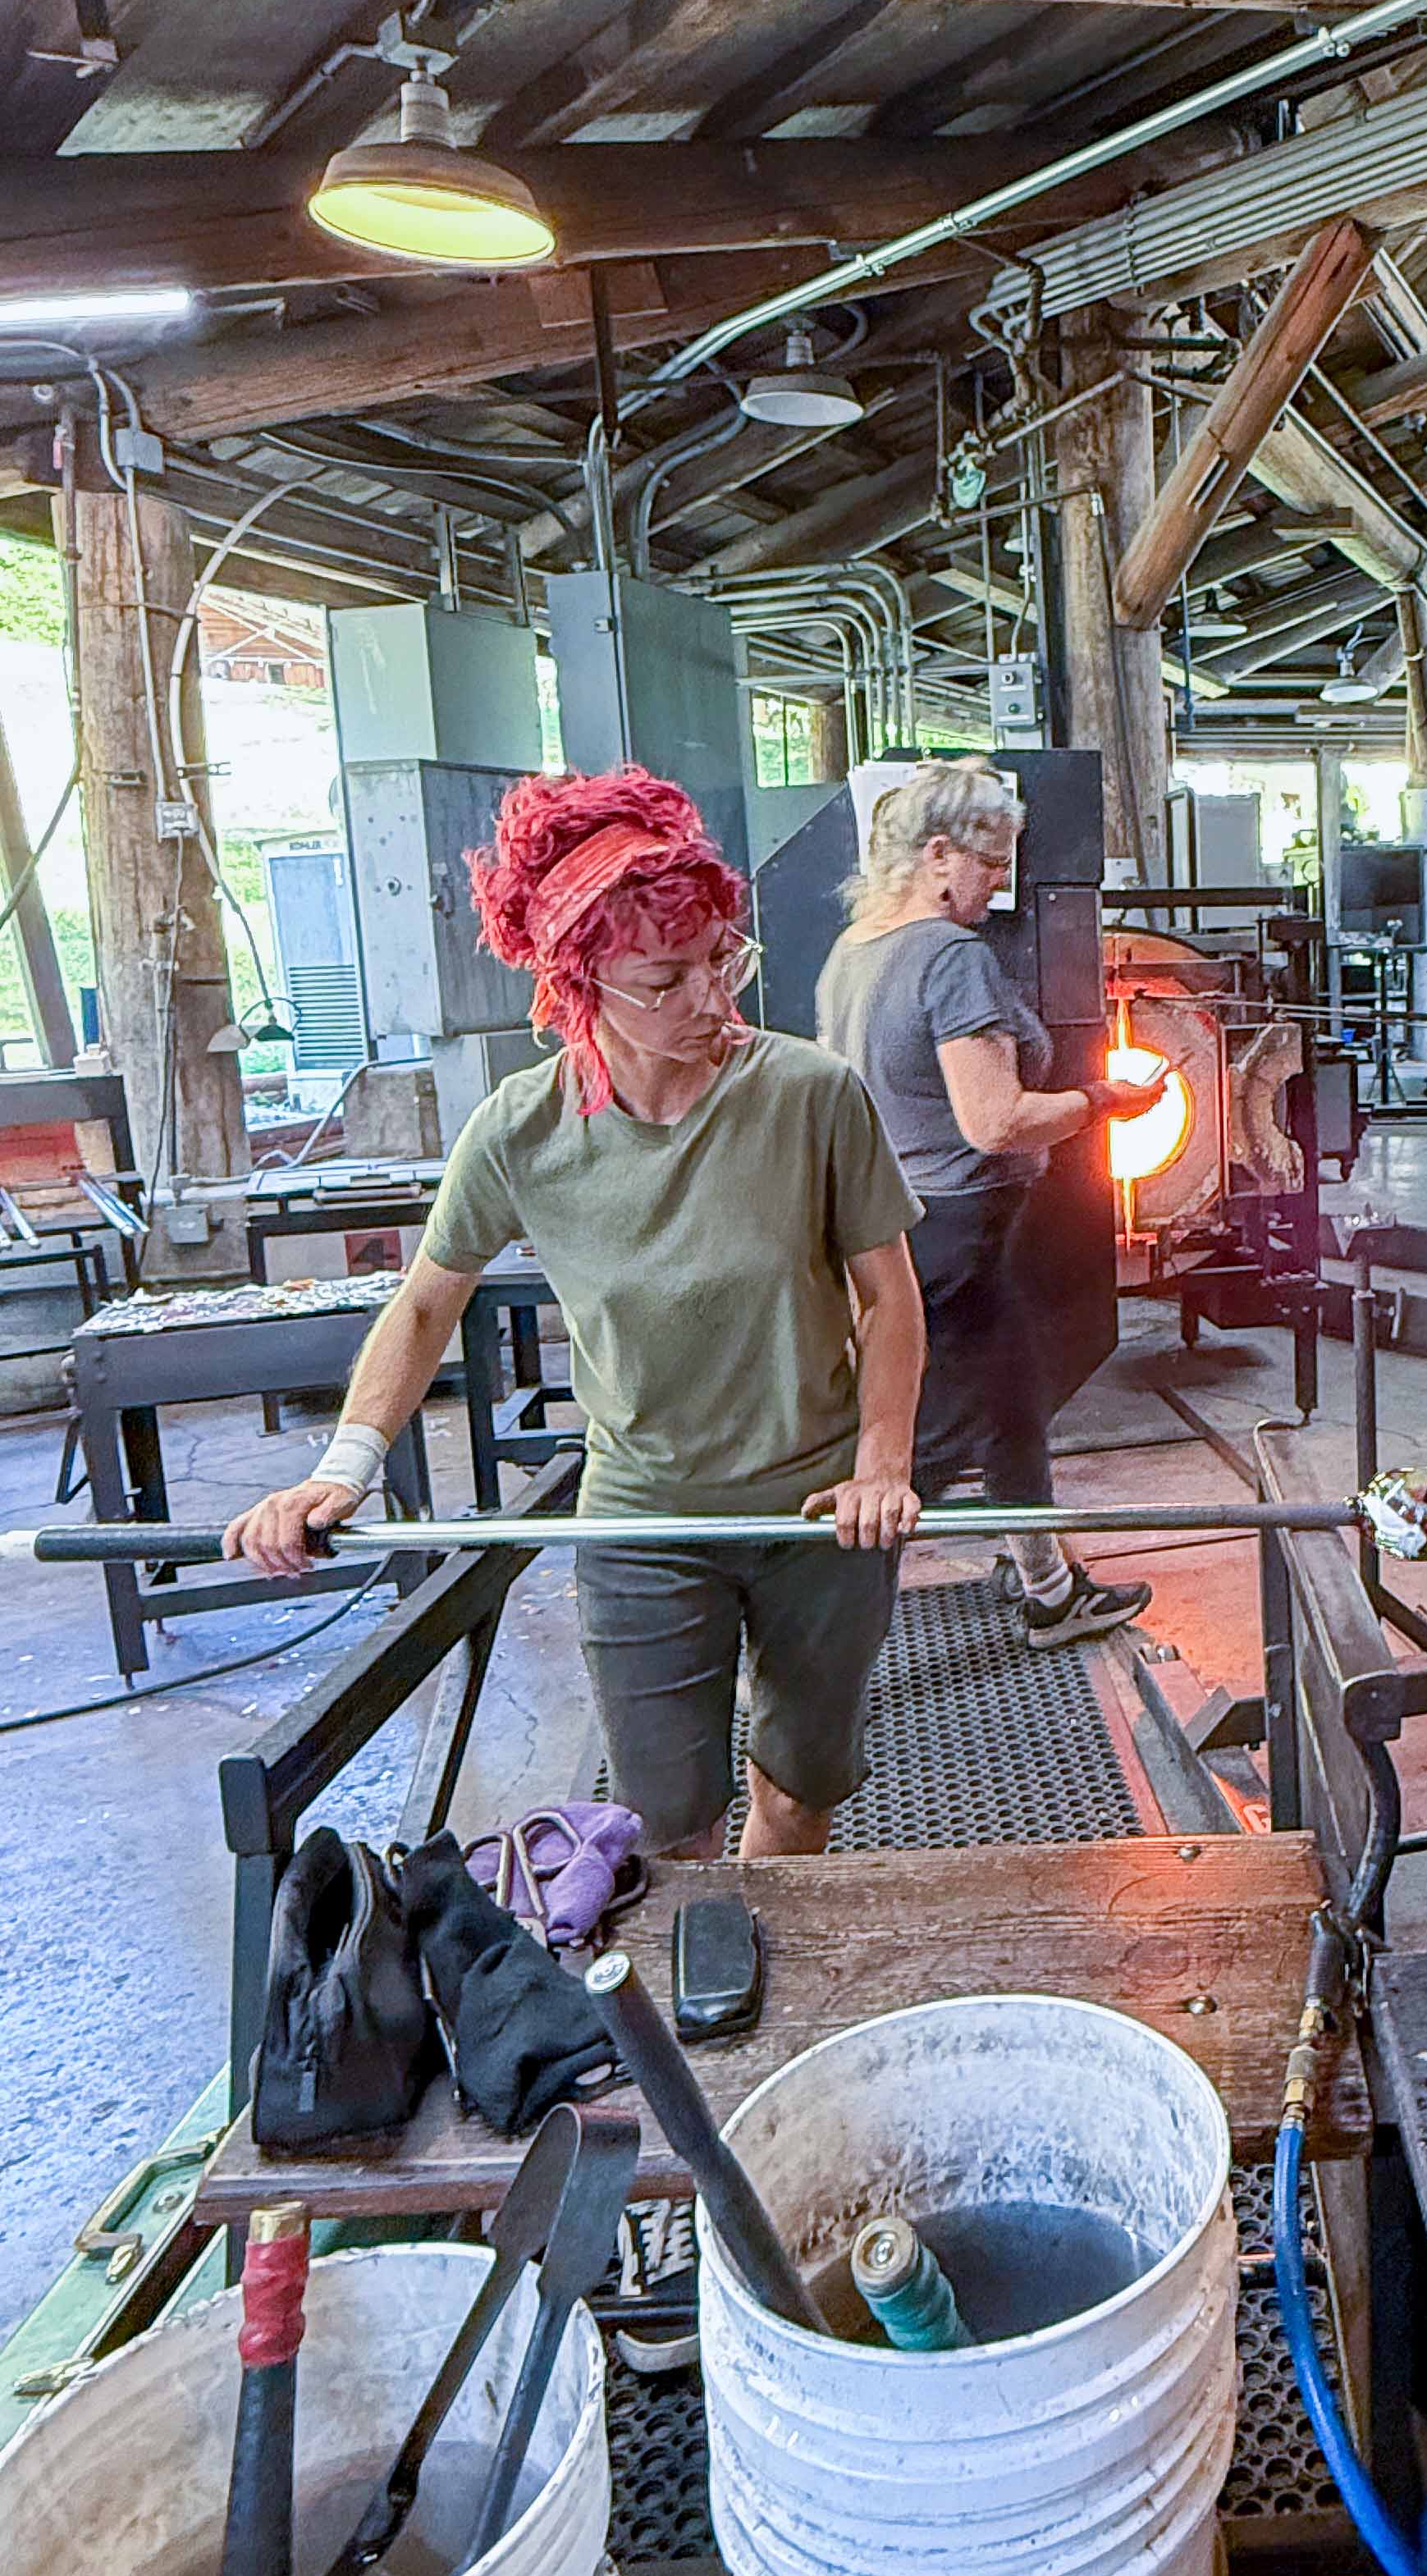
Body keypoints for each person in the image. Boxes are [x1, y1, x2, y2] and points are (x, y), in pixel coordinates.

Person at [226, 766, 926, 1860]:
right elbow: (425, 1303)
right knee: (670, 1823)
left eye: (718, 962)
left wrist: (884, 1462)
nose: (711, 999)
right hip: (643, 1520)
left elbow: (890, 1301)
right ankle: (708, 2019)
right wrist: (344, 1468)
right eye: (667, 979)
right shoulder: (521, 1132)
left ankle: (768, 1980)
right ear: (580, 987)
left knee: (799, 1790)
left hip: (818, 1510)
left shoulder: (809, 1094)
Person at [816, 760, 1164, 1649]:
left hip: (896, 1227)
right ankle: (811, 1638)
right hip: (959, 1233)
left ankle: (1049, 1589)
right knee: (915, 1458)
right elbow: (997, 1121)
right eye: (993, 860)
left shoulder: (853, 954)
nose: (1004, 880)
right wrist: (1102, 1104)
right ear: (938, 854)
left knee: (1014, 1406)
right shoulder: (950, 958)